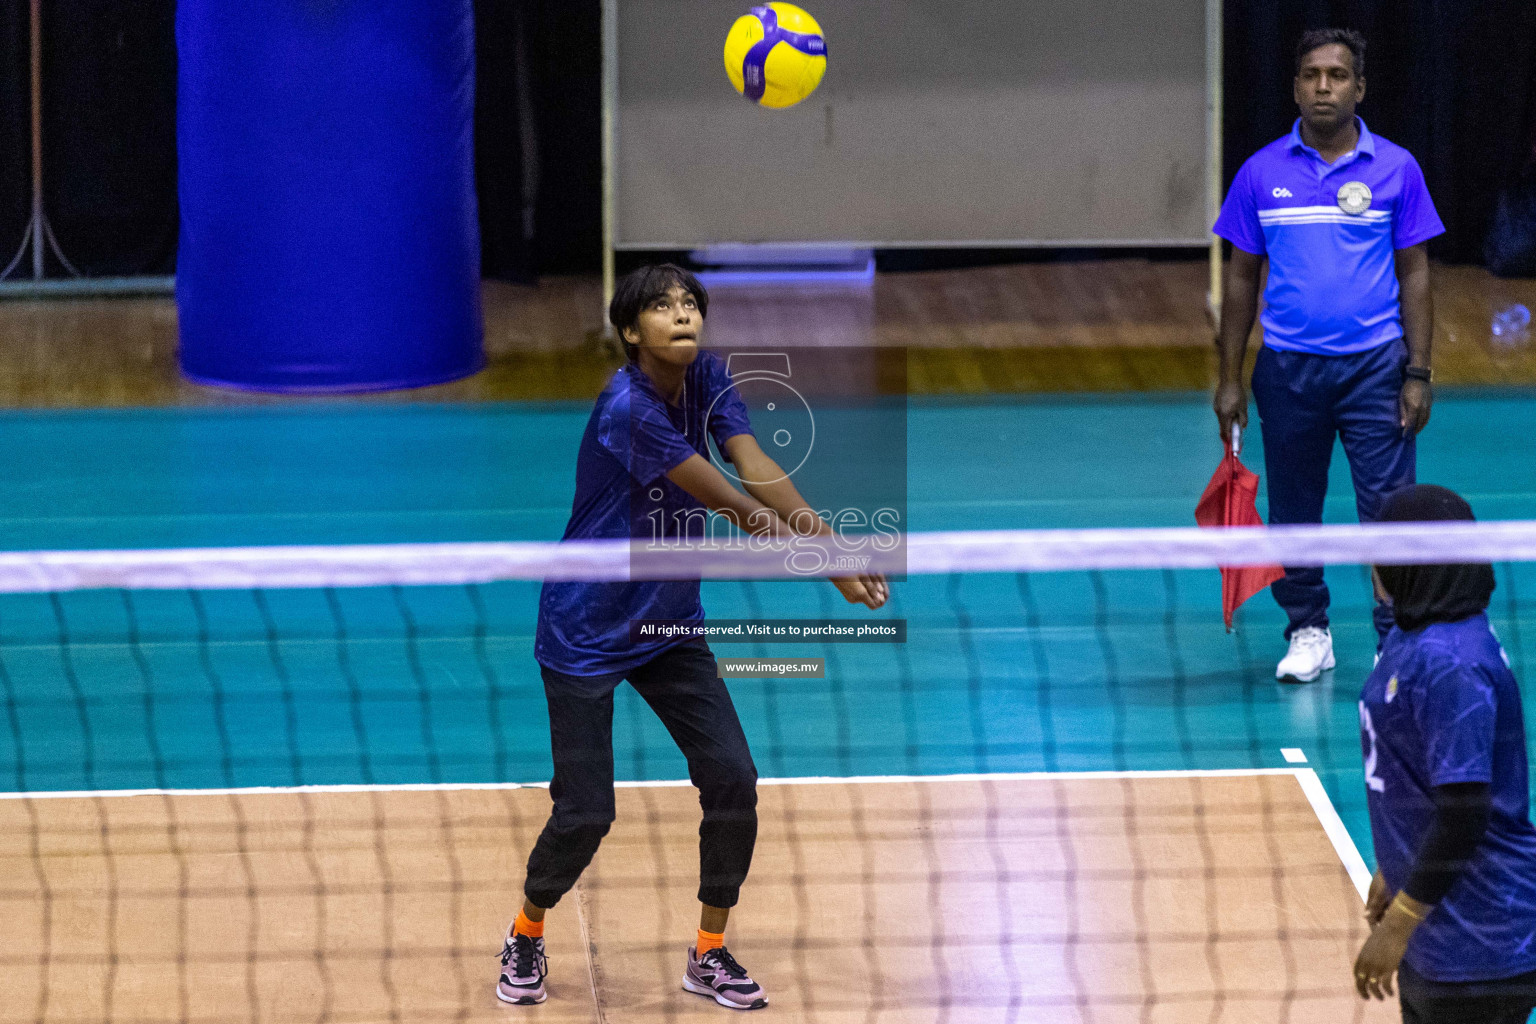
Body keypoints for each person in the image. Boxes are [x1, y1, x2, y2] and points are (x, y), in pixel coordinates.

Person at [496, 264, 890, 1011]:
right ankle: (526, 930)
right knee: (586, 813)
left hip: (670, 623)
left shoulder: (707, 376)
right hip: (586, 629)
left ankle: (708, 952)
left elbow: (757, 464)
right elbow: (730, 500)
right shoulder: (628, 407)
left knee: (733, 778)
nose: (682, 316)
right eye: (661, 307)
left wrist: (832, 540)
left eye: (690, 304)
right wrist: (828, 560)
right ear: (630, 331)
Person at [1212, 28, 1444, 682]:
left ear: (1359, 88)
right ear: (1294, 87)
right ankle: (1308, 629)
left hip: (1376, 368)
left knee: (1390, 511)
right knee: (1294, 510)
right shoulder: (1261, 173)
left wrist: (1419, 372)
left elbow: (1417, 273)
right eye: (1311, 75)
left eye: (1337, 75)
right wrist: (1229, 377)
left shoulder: (1397, 169)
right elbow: (1238, 277)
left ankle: (1395, 638)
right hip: (1287, 371)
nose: (1323, 86)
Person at [1353, 485, 1536, 1022]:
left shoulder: (1451, 661)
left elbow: (1463, 812)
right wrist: (1396, 861)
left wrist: (1397, 926)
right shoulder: (1416, 636)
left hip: (1480, 940)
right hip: (1443, 930)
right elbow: (1419, 767)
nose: (1371, 561)